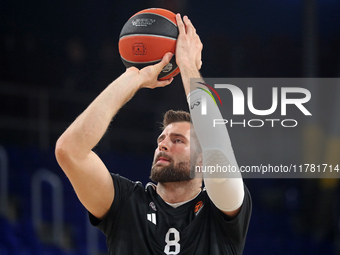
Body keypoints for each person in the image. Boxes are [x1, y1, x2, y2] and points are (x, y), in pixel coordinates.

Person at [55, 13, 252, 255]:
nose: (164, 145)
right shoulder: (126, 203)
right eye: (162, 139)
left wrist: (188, 65)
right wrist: (132, 78)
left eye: (178, 140)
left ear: (202, 160)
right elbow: (69, 150)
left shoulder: (220, 211)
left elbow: (219, 152)